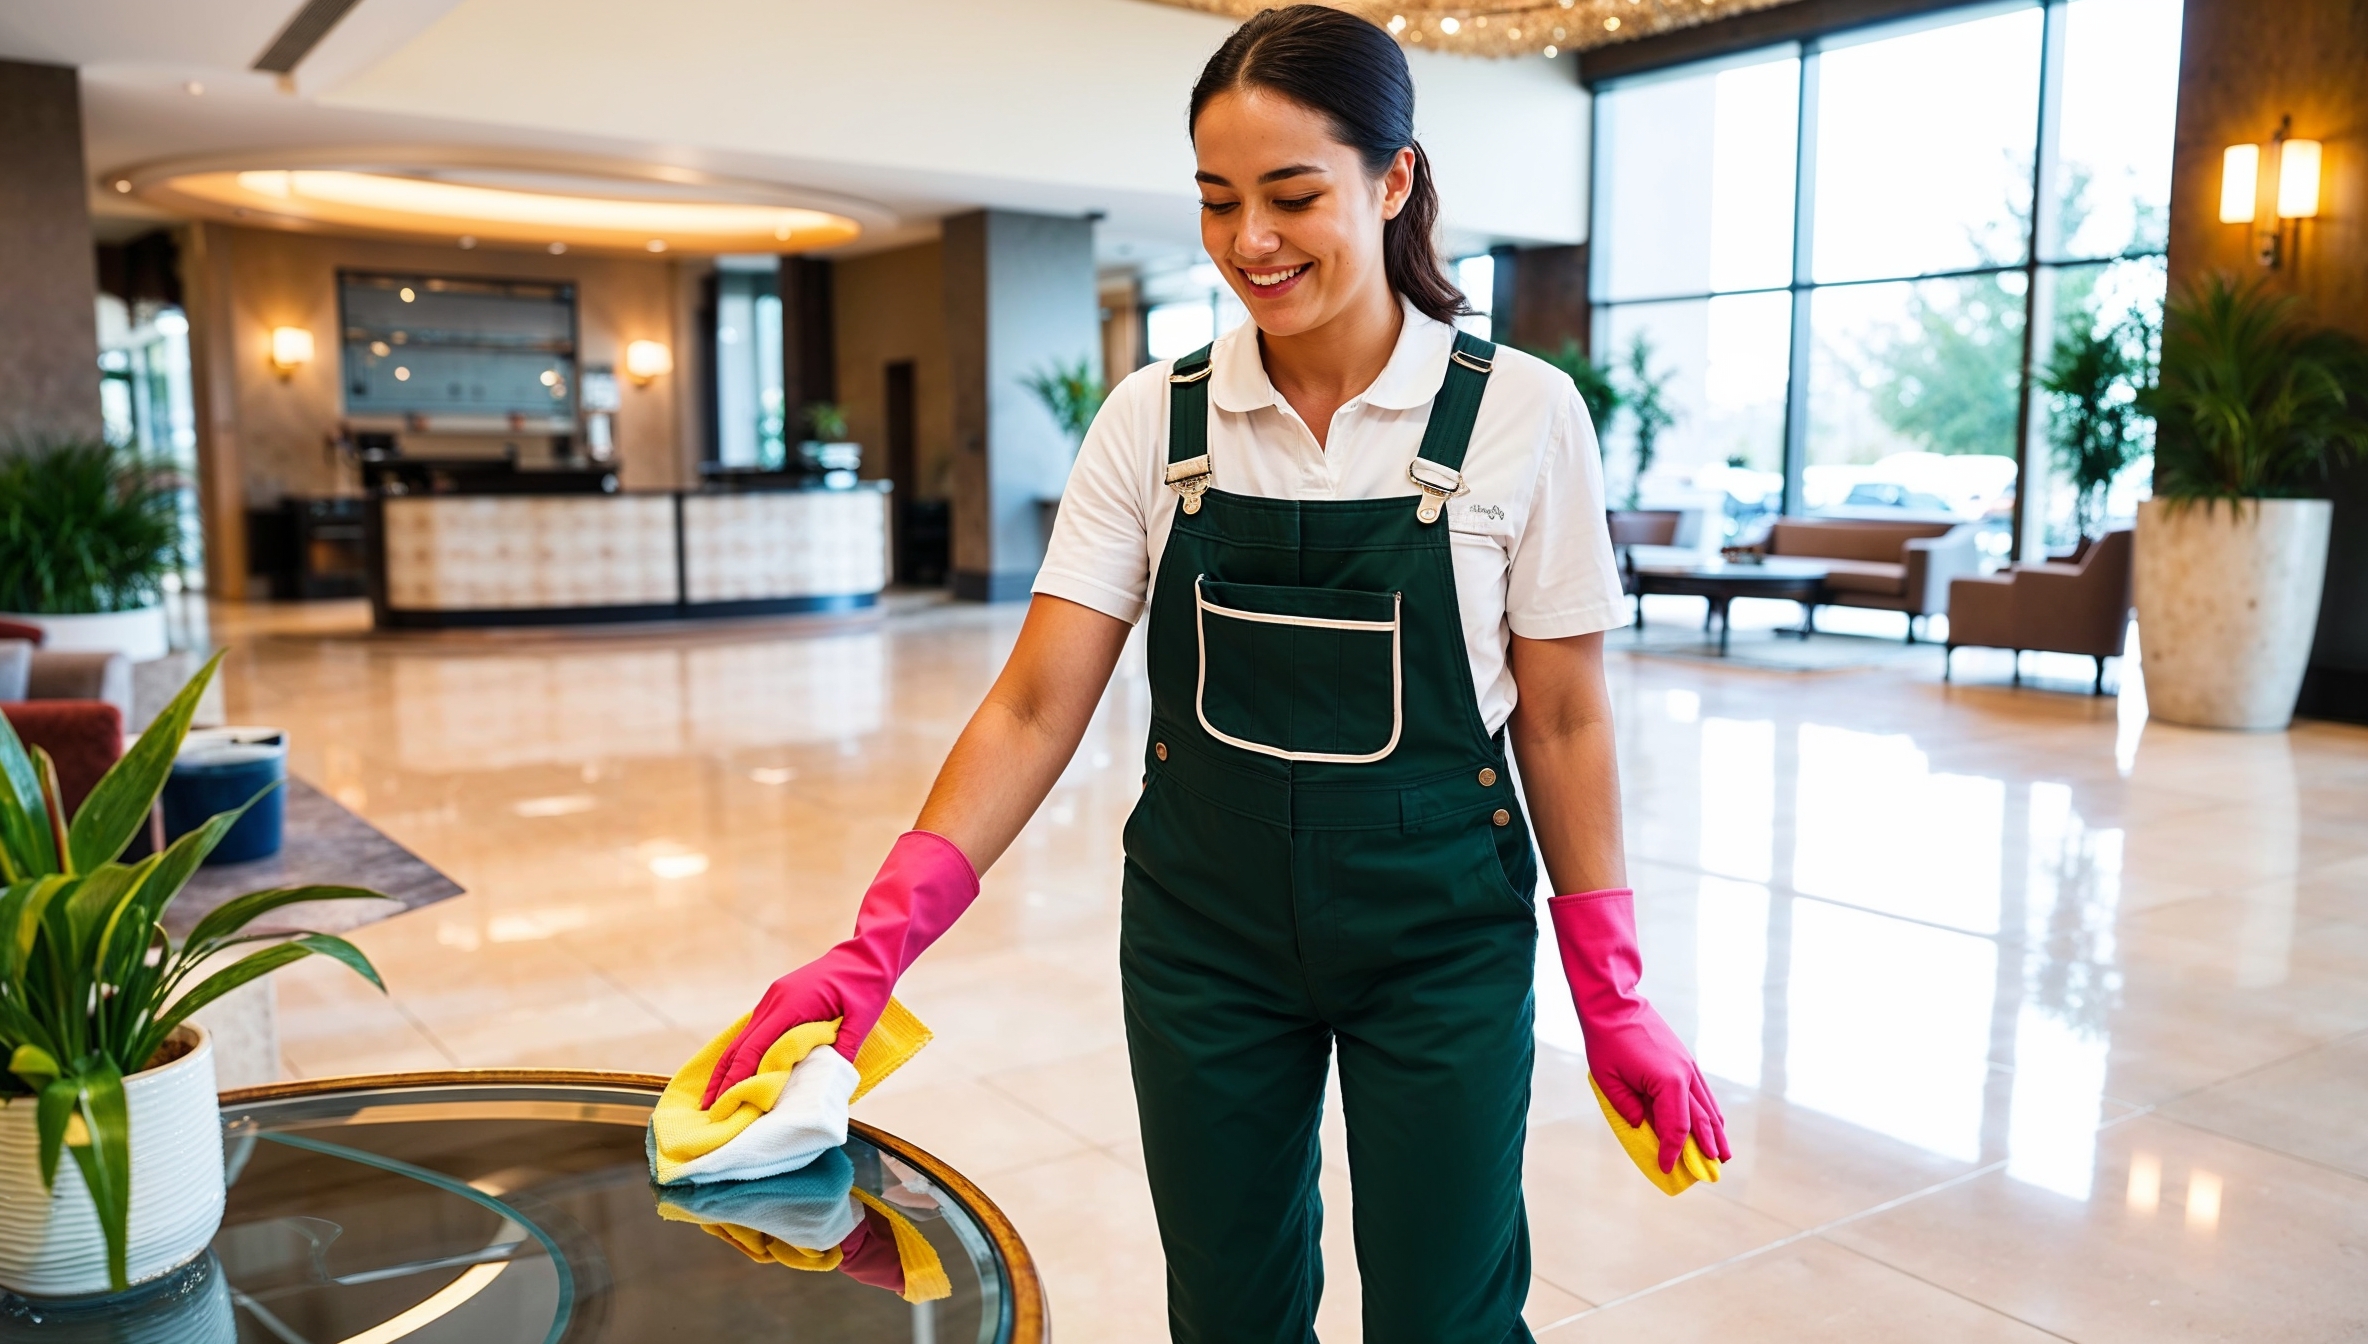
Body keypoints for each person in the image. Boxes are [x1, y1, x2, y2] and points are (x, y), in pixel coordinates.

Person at [705, 7, 1729, 1339]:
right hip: (1206, 938)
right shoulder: (1155, 418)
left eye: (1294, 196)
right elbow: (1032, 704)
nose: (1251, 240)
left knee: (1446, 1310)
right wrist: (874, 945)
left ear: (1395, 178)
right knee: (1231, 1308)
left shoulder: (1523, 413)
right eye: (1217, 199)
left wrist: (1614, 990)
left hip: (1440, 935)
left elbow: (1568, 716)